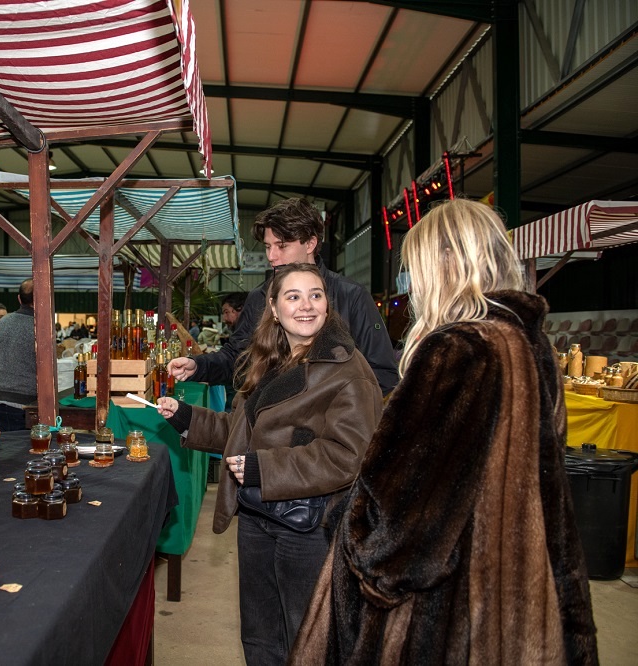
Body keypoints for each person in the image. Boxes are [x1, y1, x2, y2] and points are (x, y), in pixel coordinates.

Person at [291, 199, 598, 665]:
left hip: (441, 609)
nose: (411, 285)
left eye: (415, 268)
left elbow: (404, 512)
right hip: (517, 590)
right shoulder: (534, 347)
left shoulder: (457, 349)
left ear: (447, 263)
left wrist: (354, 536)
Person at [158, 263, 383, 666]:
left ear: (328, 305)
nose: (306, 306)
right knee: (260, 636)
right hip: (257, 518)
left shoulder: (349, 370)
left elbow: (349, 455)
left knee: (306, 639)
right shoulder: (269, 360)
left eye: (315, 295)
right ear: (274, 310)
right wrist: (188, 418)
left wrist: (267, 468)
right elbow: (243, 430)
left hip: (308, 527)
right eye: (293, 297)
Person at [168, 198, 398, 396]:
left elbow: (383, 374)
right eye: (268, 246)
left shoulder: (352, 296)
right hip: (271, 430)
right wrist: (198, 366)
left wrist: (333, 408)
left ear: (310, 243)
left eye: (282, 246)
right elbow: (237, 358)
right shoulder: (260, 297)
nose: (271, 256)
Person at [0, 280, 36, 431]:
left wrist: (1, 384)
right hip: (30, 402)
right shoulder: (41, 325)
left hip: (3, 399)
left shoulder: (2, 323)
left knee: (8, 449)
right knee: (33, 450)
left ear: (19, 299)